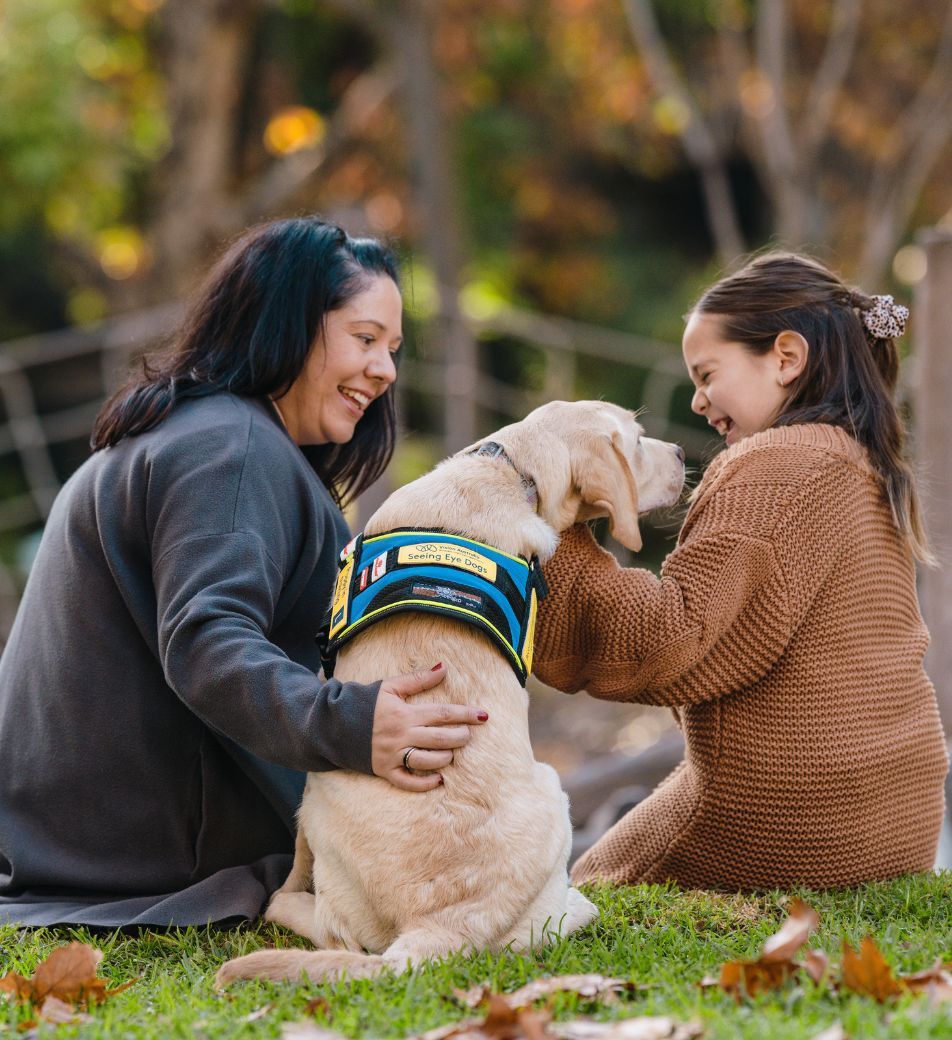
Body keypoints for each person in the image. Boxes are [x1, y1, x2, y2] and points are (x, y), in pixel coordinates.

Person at [0, 217, 487, 927]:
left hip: (76, 840)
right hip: (137, 858)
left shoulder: (206, 433)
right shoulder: (230, 453)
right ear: (286, 323)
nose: (385, 370)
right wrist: (354, 725)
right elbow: (207, 645)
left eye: (393, 349)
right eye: (364, 339)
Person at [535, 252, 949, 892]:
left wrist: (553, 532)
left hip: (796, 819)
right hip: (899, 814)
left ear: (786, 357)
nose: (698, 401)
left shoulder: (775, 465)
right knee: (626, 819)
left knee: (586, 885)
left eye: (707, 374)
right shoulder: (863, 463)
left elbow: (666, 642)